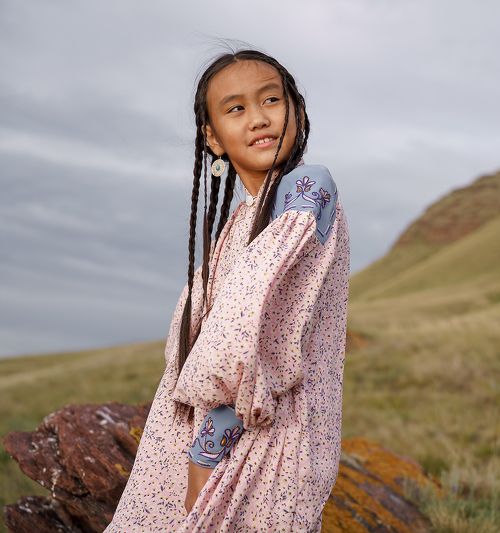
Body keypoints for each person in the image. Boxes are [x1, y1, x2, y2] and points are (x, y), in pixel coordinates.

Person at [105, 48, 350, 532]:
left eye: (271, 100)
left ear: (296, 112)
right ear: (212, 138)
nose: (259, 118)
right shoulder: (240, 222)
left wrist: (206, 453)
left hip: (260, 445)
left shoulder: (308, 191)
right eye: (236, 108)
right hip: (228, 440)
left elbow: (254, 335)